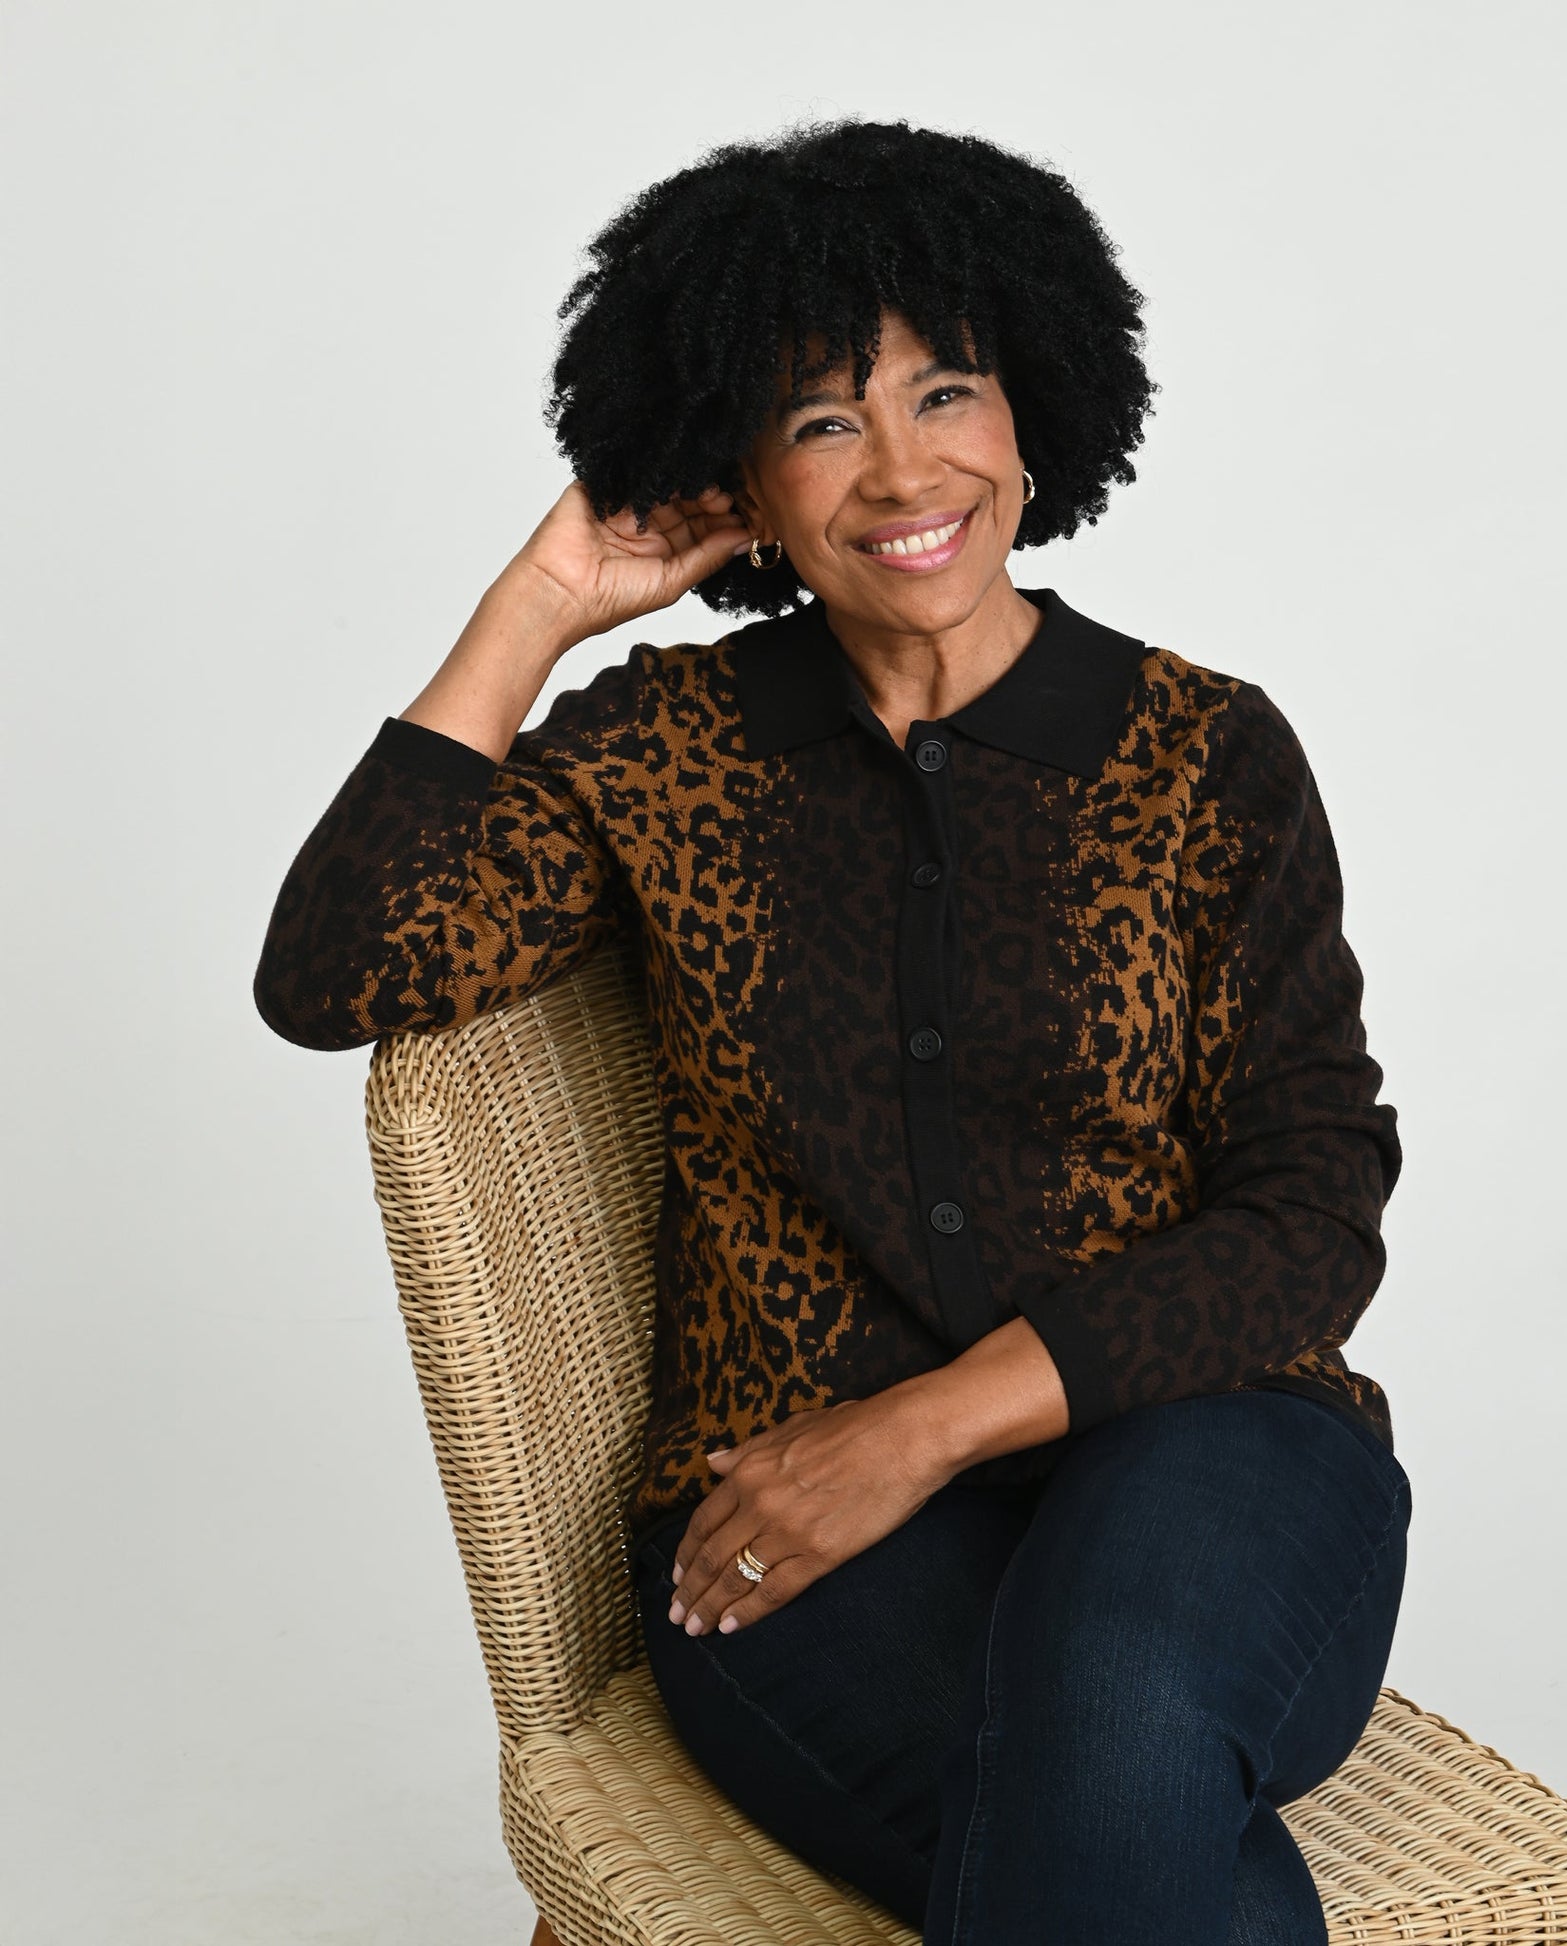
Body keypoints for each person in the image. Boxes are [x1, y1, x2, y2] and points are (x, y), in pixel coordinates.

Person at [254, 118, 1408, 1946]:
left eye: (945, 391)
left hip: (1210, 1435)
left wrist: (921, 1429)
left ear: (1031, 412)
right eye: (819, 420)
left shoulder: (1203, 754)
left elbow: (1311, 1211)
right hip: (781, 1517)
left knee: (1111, 1711)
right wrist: (538, 607)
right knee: (1137, 1845)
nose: (901, 468)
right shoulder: (667, 750)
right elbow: (334, 972)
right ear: (742, 479)